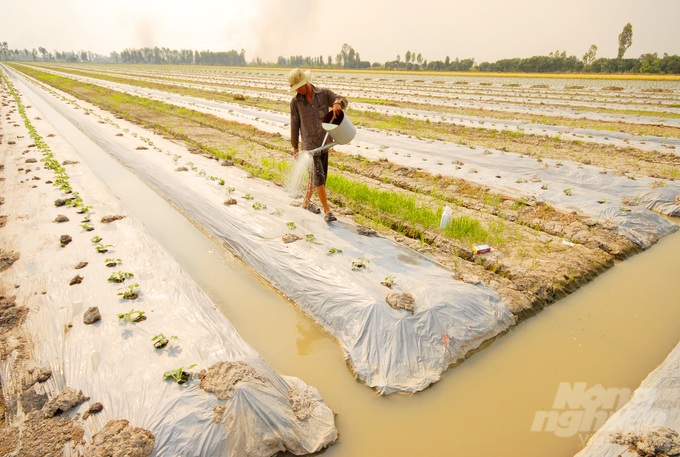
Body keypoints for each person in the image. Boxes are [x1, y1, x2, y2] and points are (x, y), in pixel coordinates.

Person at [289, 68, 348, 222]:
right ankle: (327, 211)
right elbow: (294, 125)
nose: (298, 90)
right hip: (309, 146)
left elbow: (342, 99)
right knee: (318, 177)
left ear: (305, 82)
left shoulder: (324, 94)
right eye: (296, 88)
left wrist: (337, 103)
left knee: (317, 176)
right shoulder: (295, 102)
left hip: (323, 143)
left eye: (300, 86)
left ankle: (306, 202)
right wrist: (295, 147)